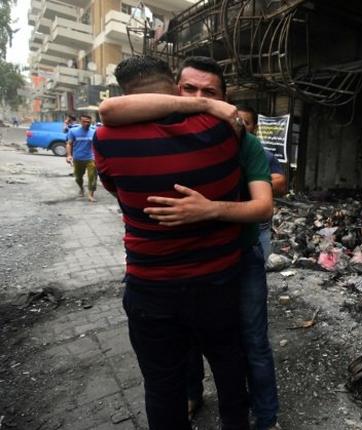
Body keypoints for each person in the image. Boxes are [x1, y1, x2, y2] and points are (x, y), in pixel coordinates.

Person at [99, 56, 281, 430]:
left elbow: (264, 206)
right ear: (173, 87)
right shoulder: (219, 131)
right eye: (190, 90)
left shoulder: (106, 140)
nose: (199, 96)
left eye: (209, 92)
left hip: (182, 281)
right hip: (209, 281)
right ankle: (207, 402)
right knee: (218, 365)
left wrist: (209, 209)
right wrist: (206, 107)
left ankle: (264, 416)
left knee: (188, 375)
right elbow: (110, 110)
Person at [236, 105, 288, 259]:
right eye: (237, 120)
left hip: (260, 229)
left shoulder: (264, 155)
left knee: (257, 271)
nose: (241, 125)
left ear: (255, 128)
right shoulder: (218, 152)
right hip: (227, 229)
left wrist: (251, 182)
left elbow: (280, 184)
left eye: (247, 122)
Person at [65, 114, 97, 202]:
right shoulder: (73, 131)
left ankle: (90, 194)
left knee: (92, 177)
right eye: (84, 122)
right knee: (78, 178)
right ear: (80, 122)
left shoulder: (94, 132)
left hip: (91, 158)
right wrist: (69, 155)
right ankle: (81, 188)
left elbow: (98, 145)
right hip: (78, 158)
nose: (87, 123)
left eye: (88, 122)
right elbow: (69, 143)